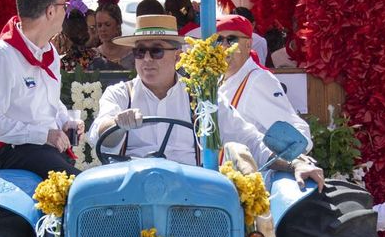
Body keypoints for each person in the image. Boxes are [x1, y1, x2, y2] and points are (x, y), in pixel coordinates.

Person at [86, 16, 321, 183]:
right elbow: (100, 133)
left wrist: (296, 163)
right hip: (130, 189)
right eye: (140, 52)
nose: (147, 59)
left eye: (156, 51)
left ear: (177, 55)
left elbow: (249, 139)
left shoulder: (201, 97)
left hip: (190, 193)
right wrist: (117, 123)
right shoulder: (119, 94)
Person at [0, 0, 84, 176]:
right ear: (50, 11)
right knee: (80, 189)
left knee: (85, 186)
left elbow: (49, 102)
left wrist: (65, 121)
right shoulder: (0, 54)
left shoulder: (49, 52)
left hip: (43, 150)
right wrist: (43, 135)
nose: (65, 12)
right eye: (63, 6)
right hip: (14, 151)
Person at [214, 15, 310, 149]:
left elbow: (297, 134)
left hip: (255, 168)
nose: (224, 46)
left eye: (231, 40)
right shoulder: (220, 79)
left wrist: (296, 161)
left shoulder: (258, 81)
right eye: (218, 40)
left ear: (248, 45)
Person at [86, 0, 134, 71]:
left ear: (118, 25)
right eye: (99, 25)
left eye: (107, 24)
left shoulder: (133, 54)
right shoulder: (92, 55)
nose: (103, 29)